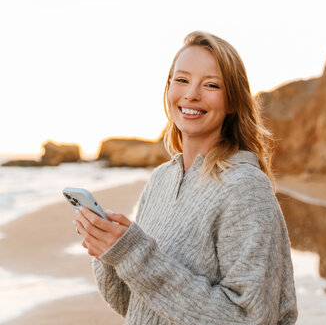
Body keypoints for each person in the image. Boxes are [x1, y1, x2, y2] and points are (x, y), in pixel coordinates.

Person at [73, 31, 298, 324]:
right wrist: (109, 254)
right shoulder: (161, 180)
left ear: (232, 101)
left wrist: (134, 255)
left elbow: (248, 318)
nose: (192, 94)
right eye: (181, 80)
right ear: (168, 88)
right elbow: (133, 304)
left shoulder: (244, 187)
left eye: (211, 85)